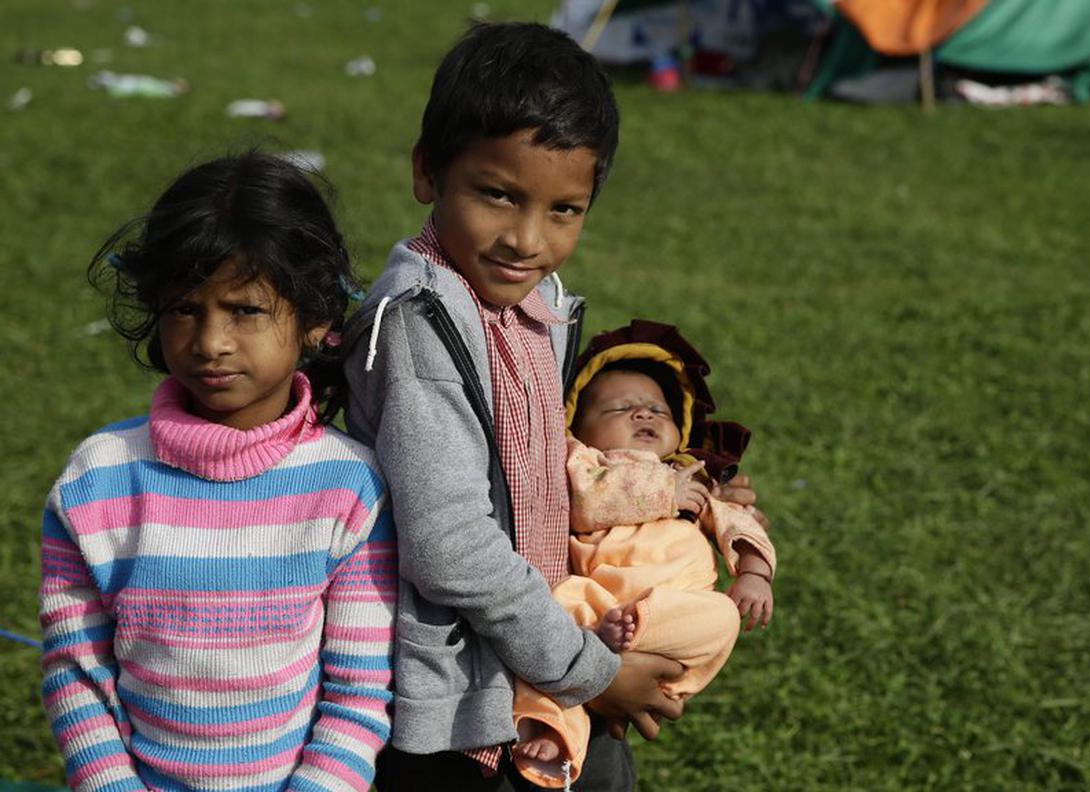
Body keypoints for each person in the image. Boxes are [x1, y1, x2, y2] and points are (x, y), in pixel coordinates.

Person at [342, 21, 768, 791]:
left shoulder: (532, 307)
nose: (525, 239)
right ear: (427, 173)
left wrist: (672, 495)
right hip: (460, 703)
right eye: (497, 195)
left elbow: (546, 475)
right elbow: (451, 549)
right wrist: (588, 672)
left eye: (563, 210)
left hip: (540, 661)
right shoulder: (417, 327)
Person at [39, 151, 397, 792]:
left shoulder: (350, 489)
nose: (210, 341)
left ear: (315, 316)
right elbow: (77, 675)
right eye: (184, 308)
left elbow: (358, 691)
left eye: (245, 310)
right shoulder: (95, 483)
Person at [511, 321, 776, 788]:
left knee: (722, 617)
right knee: (556, 616)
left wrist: (754, 571)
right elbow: (584, 502)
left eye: (657, 409)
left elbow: (739, 522)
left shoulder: (696, 476)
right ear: (578, 426)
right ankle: (551, 729)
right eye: (620, 407)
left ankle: (635, 636)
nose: (642, 415)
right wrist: (664, 491)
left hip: (675, 608)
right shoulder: (584, 463)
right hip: (598, 598)